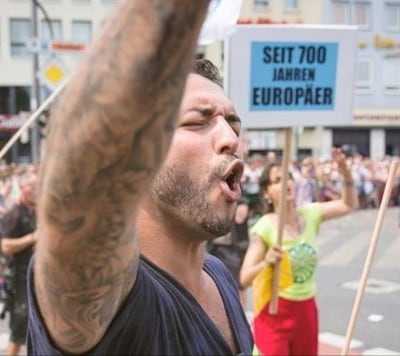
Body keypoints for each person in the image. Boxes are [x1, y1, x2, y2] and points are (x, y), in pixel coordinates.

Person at [27, 1, 253, 355]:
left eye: (233, 122)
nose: (230, 138)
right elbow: (82, 188)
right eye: (197, 121)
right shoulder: (118, 297)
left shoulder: (219, 274)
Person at [240, 148, 358, 356]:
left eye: (288, 177)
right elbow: (245, 277)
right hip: (273, 313)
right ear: (266, 193)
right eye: (277, 180)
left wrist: (346, 175)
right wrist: (266, 262)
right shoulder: (265, 227)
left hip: (306, 311)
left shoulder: (310, 214)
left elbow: (348, 205)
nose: (286, 183)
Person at [0, 173, 37, 356]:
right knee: (19, 328)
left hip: (35, 276)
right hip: (19, 278)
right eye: (32, 186)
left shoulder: (34, 211)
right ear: (23, 188)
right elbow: (5, 246)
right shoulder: (14, 214)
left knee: (35, 326)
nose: (36, 190)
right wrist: (31, 238)